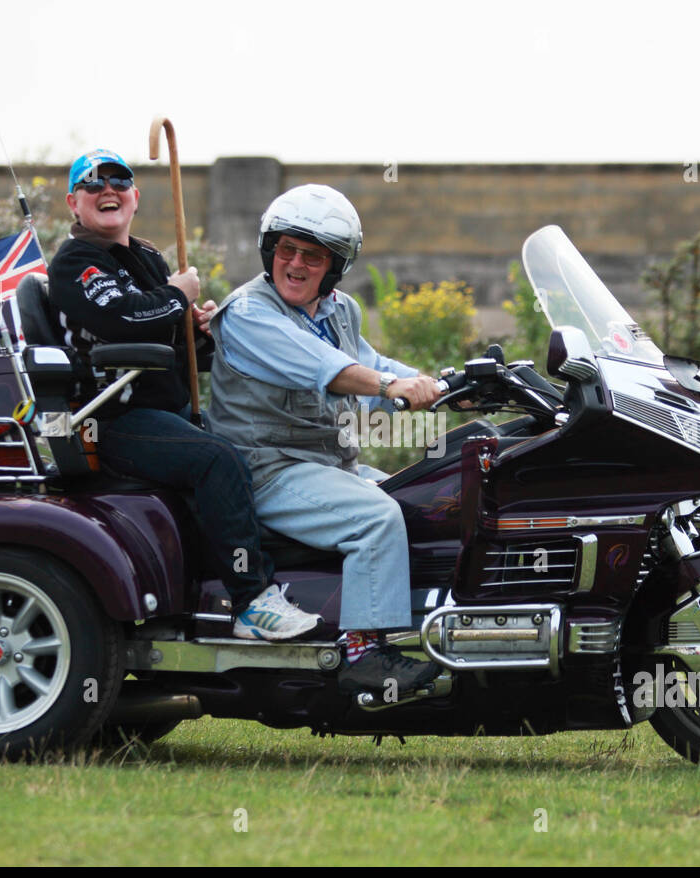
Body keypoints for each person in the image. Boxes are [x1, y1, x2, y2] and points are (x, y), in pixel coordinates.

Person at [48, 148, 319, 641]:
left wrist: (193, 328)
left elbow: (168, 340)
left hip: (163, 410)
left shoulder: (147, 256)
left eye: (119, 181)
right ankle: (250, 603)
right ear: (73, 202)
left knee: (256, 446)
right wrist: (176, 297)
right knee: (219, 461)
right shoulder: (76, 262)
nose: (107, 190)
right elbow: (122, 317)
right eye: (92, 184)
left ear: (135, 196)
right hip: (111, 419)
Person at [208, 184, 442, 694]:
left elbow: (373, 366)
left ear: (335, 267)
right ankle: (364, 656)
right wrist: (390, 386)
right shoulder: (249, 313)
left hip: (329, 467)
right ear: (270, 253)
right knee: (375, 516)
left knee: (431, 494)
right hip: (268, 470)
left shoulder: (340, 311)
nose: (295, 264)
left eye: (312, 256)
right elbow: (329, 369)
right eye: (286, 251)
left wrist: (446, 386)